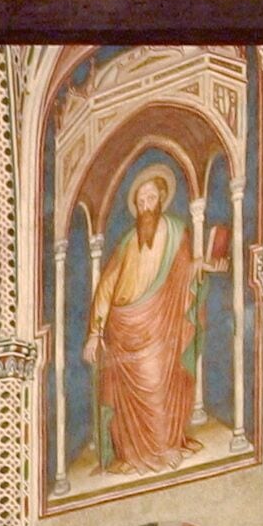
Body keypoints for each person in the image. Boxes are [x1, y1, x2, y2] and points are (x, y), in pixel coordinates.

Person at [83, 165, 199, 470]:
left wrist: (203, 267)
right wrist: (95, 333)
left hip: (161, 323)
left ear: (162, 199)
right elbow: (106, 287)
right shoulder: (126, 244)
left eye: (151, 198)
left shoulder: (176, 232)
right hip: (123, 327)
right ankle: (135, 452)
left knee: (158, 384)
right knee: (130, 395)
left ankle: (164, 446)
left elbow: (185, 274)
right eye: (141, 200)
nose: (146, 205)